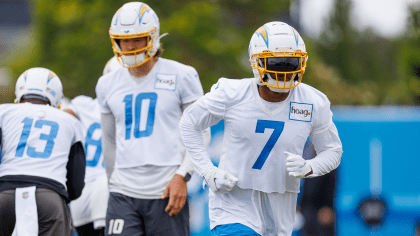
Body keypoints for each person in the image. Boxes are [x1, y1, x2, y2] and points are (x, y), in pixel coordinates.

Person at [179, 21, 343, 236]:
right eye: (276, 62)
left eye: (290, 62)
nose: (284, 69)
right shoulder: (232, 93)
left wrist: (310, 167)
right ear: (256, 62)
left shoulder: (313, 101)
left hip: (281, 206)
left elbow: (332, 150)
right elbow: (189, 123)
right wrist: (208, 171)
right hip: (234, 204)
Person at [95, 2, 208, 235]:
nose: (129, 46)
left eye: (137, 39)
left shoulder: (182, 75)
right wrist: (112, 183)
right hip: (123, 191)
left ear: (153, 38)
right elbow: (110, 141)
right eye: (123, 40)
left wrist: (182, 176)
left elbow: (202, 132)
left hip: (166, 187)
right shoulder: (107, 83)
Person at [0, 67, 86, 236]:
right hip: (49, 196)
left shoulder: (4, 112)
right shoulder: (70, 122)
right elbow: (76, 184)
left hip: (6, 196)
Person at [65, 56, 122, 236]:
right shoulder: (133, 111)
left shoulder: (83, 105)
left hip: (80, 193)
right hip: (108, 189)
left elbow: (60, 118)